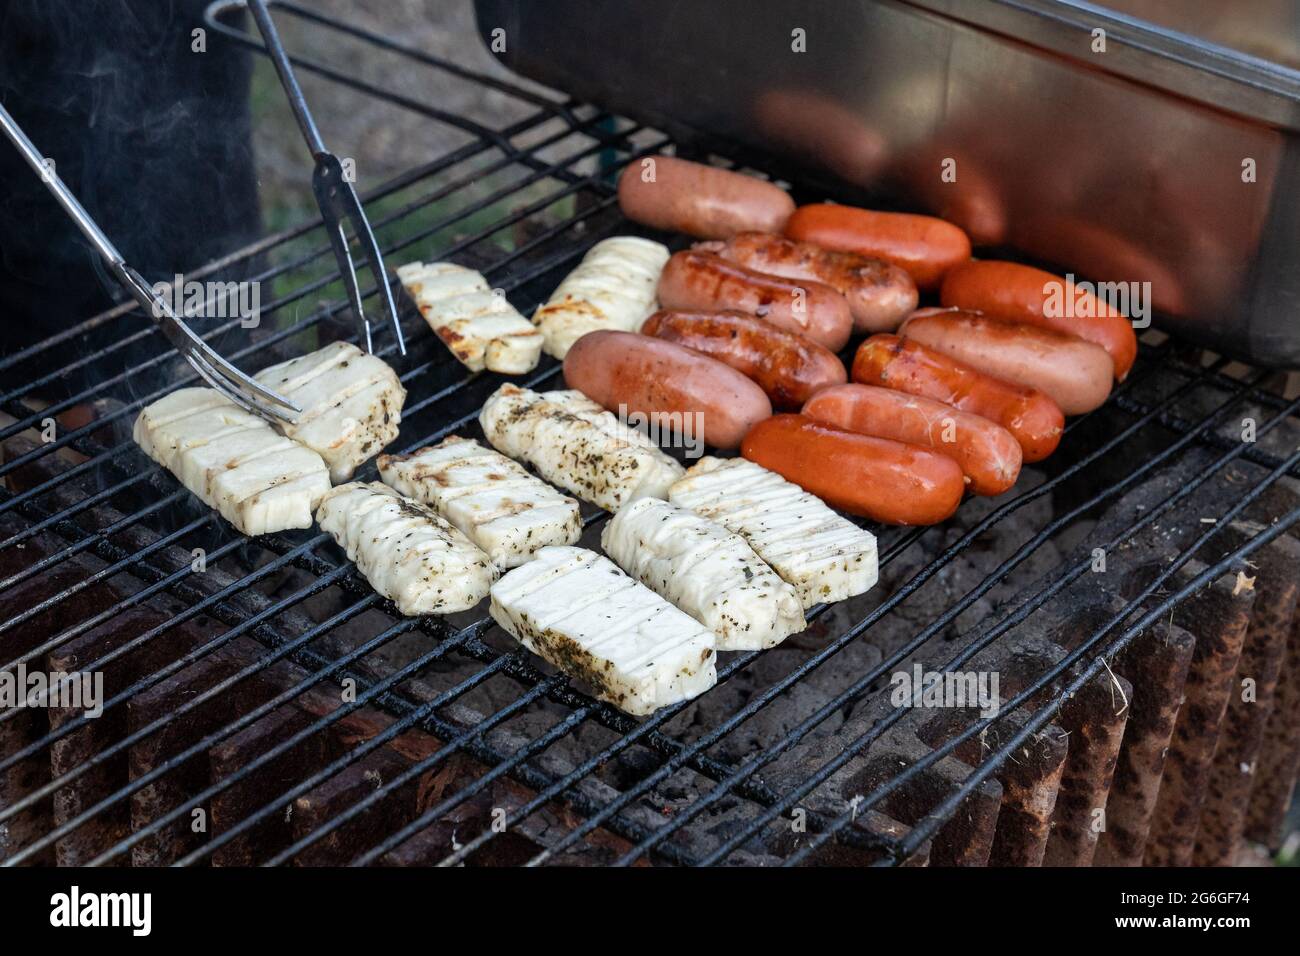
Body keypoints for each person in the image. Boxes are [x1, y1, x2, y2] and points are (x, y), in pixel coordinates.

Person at [0, 0, 261, 392]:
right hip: (34, 48)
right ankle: (54, 402)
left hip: (197, 27)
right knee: (53, 370)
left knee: (210, 211)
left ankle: (237, 350)